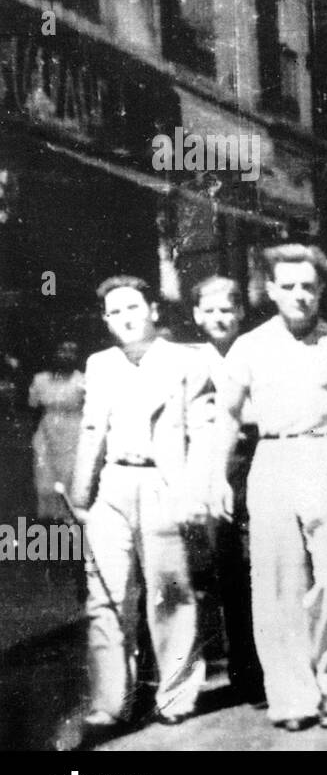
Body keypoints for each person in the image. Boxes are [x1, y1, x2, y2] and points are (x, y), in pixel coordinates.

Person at [213, 244, 327, 730]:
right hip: (272, 459)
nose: (299, 295)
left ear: (321, 289)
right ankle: (291, 697)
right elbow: (226, 415)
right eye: (288, 286)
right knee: (276, 585)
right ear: (270, 290)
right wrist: (215, 477)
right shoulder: (250, 346)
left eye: (308, 286)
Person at [69, 276, 212, 729]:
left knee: (169, 592)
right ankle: (110, 700)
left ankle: (175, 693)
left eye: (133, 308)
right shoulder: (100, 364)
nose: (125, 319)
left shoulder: (185, 361)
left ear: (152, 310)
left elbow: (204, 433)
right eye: (114, 312)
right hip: (112, 485)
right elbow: (91, 431)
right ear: (106, 321)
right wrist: (80, 496)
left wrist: (193, 491)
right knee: (105, 596)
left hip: (163, 486)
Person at [188, 276, 262, 702]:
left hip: (257, 456)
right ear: (197, 315)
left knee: (266, 561)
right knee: (228, 566)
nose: (219, 318)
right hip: (216, 464)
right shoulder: (192, 360)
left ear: (240, 314)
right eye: (210, 311)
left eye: (227, 310)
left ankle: (276, 659)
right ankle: (244, 668)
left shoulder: (254, 350)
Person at [29, 340, 85, 522]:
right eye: (62, 349)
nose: (66, 354)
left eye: (72, 351)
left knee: (69, 481)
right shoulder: (40, 380)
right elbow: (33, 408)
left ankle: (69, 528)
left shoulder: (82, 380)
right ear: (53, 353)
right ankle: (47, 527)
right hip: (46, 435)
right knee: (45, 484)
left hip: (74, 435)